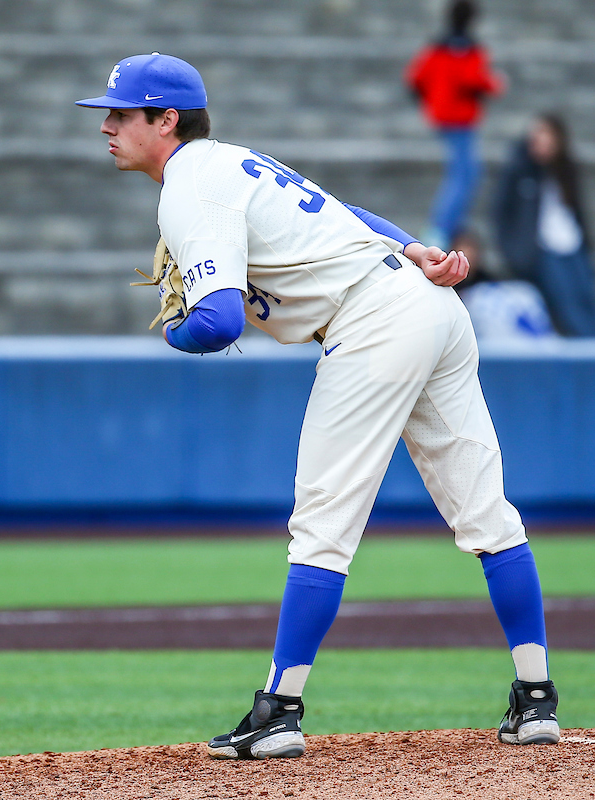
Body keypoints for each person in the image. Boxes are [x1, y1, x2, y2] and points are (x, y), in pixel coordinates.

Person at [77, 53, 559, 760]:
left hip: (372, 324)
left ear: (166, 120)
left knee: (322, 526)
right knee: (487, 513)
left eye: (120, 114)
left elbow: (217, 323)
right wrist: (416, 247)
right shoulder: (235, 160)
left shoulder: (189, 187)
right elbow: (347, 216)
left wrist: (177, 328)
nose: (108, 127)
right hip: (429, 306)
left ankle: (279, 710)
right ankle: (536, 698)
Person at [491, 114, 595, 337]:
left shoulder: (565, 172)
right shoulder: (520, 170)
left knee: (591, 302)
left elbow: (577, 214)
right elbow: (501, 214)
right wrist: (516, 253)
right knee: (569, 307)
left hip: (573, 247)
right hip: (544, 250)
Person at [406, 0, 504, 248]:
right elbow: (472, 79)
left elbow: (415, 77)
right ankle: (440, 228)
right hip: (459, 118)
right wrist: (495, 83)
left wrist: (429, 101)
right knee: (464, 175)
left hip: (443, 116)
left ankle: (448, 225)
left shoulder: (436, 47)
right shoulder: (468, 49)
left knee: (464, 174)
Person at [452, 232, 557, 341]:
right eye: (462, 249)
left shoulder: (487, 281)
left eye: (471, 249)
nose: (467, 254)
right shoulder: (446, 286)